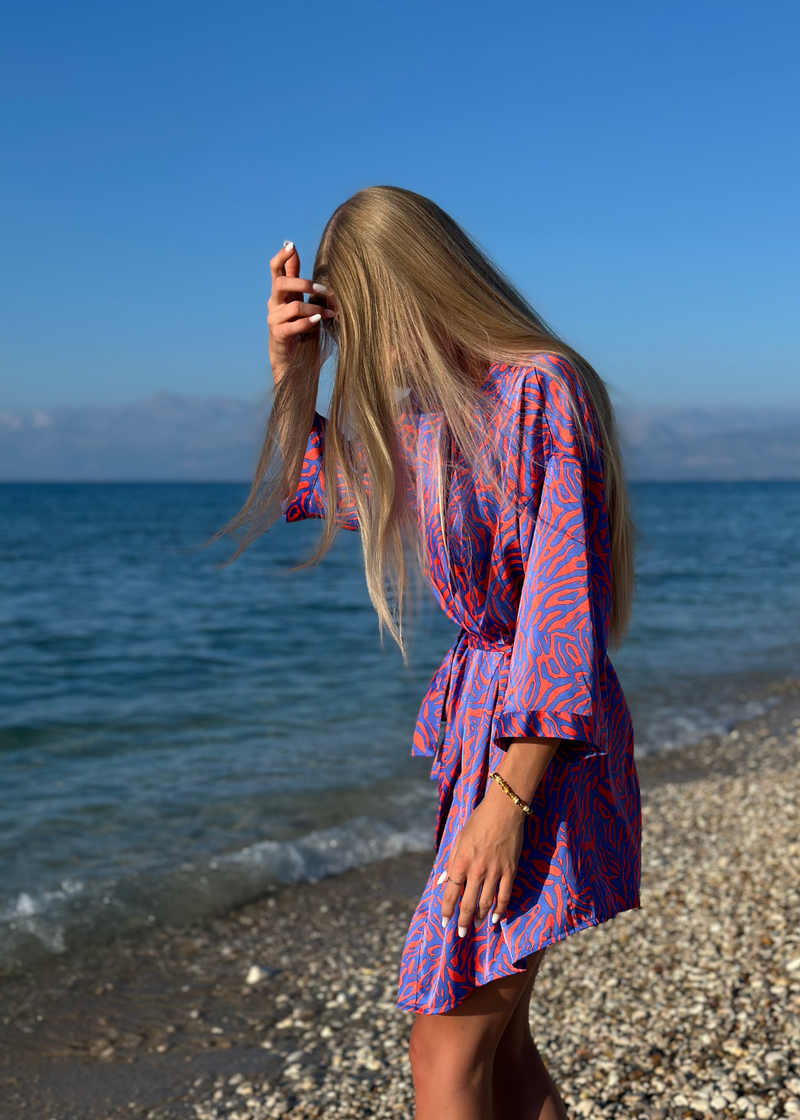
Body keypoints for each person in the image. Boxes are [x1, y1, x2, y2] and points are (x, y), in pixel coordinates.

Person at [224, 186, 641, 1120]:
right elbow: (326, 487)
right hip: (484, 739)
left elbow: (561, 607)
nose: (364, 344)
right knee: (502, 1050)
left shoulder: (540, 386)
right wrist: (294, 369)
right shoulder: (424, 414)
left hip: (540, 751)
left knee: (443, 1045)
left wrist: (509, 799)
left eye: (364, 316)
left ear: (414, 288)